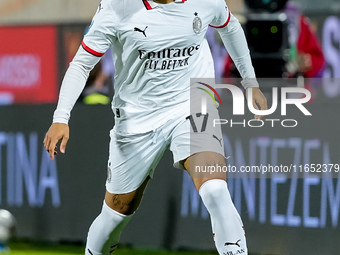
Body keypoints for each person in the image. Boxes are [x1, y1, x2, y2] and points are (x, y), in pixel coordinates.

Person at [43, 0, 267, 254]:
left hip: (193, 103)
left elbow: (230, 26)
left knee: (215, 189)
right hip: (138, 118)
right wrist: (61, 117)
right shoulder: (117, 7)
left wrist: (251, 83)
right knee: (117, 213)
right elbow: (82, 63)